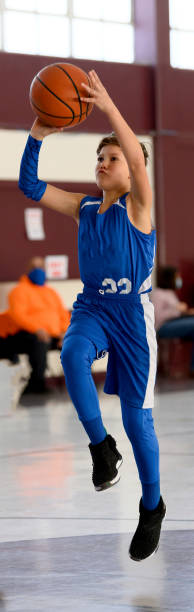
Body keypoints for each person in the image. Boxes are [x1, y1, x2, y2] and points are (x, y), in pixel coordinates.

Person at [18, 70, 166, 562]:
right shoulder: (84, 209)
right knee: (74, 352)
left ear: (133, 169)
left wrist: (107, 107)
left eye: (114, 157)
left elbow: (138, 160)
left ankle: (152, 505)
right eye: (99, 157)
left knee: (137, 421)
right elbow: (29, 184)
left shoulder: (139, 208)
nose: (103, 162)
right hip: (94, 308)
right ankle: (101, 448)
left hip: (133, 319)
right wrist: (39, 131)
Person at [0, 257, 70, 394]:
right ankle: (36, 385)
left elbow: (63, 315)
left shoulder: (51, 292)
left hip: (54, 334)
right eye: (34, 267)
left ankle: (80, 383)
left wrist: (65, 332)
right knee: (39, 342)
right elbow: (18, 316)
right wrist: (37, 329)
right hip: (26, 335)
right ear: (28, 270)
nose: (38, 270)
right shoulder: (18, 291)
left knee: (75, 342)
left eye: (41, 267)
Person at [151, 265, 194, 373]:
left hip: (172, 323)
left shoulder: (170, 293)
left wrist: (185, 312)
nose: (179, 279)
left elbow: (175, 312)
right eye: (176, 277)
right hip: (161, 327)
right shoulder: (158, 293)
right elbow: (157, 316)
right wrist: (177, 310)